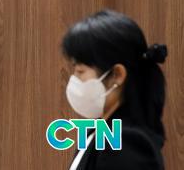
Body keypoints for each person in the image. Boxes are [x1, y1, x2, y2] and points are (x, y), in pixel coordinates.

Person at [61, 9, 167, 170]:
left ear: (117, 75)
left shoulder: (127, 143)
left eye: (80, 71)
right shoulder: (99, 131)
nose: (74, 80)